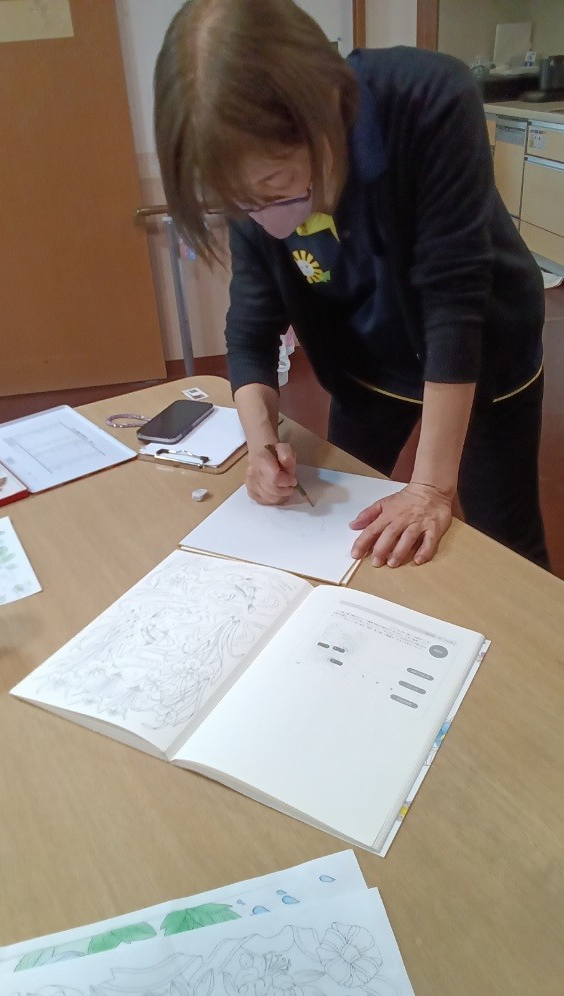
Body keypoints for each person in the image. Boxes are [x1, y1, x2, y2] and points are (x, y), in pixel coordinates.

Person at [154, 0, 549, 570]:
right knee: (338, 528)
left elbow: (453, 306)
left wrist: (431, 489)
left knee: (506, 545)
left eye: (276, 188)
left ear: (322, 114)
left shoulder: (428, 99)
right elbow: (251, 329)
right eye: (241, 203)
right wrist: (261, 445)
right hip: (366, 362)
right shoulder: (249, 185)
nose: (267, 223)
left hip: (483, 353)